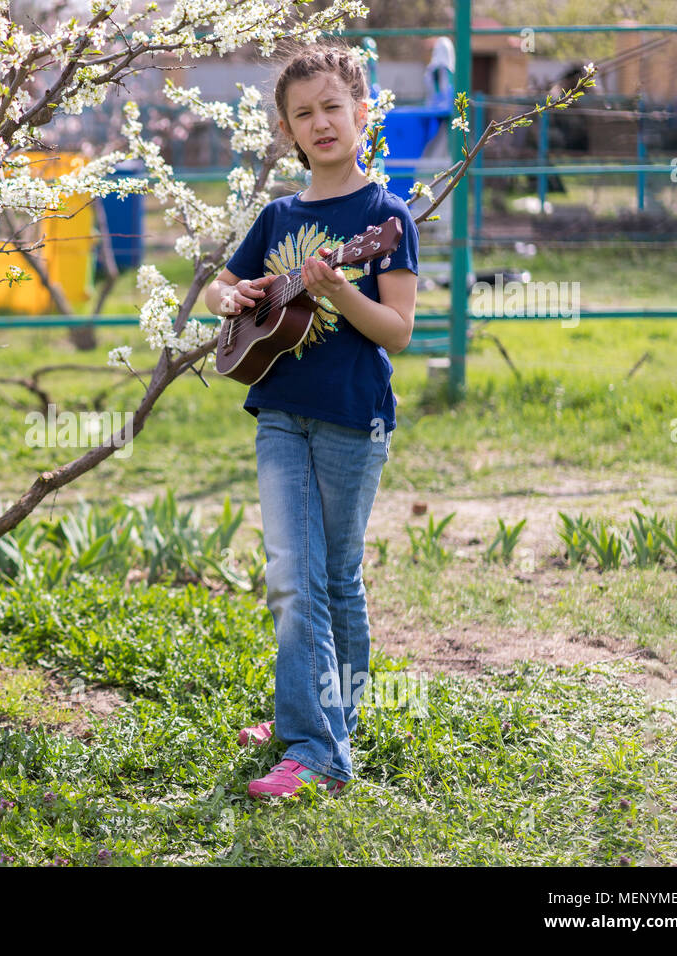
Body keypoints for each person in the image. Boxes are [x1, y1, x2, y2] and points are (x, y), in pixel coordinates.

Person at [203, 41, 419, 800]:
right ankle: (312, 735)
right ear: (287, 132)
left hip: (352, 417)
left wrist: (337, 292)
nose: (322, 122)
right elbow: (220, 291)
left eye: (334, 107)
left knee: (336, 578)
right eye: (304, 114)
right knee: (294, 578)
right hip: (279, 413)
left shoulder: (383, 215)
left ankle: (327, 725)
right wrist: (227, 301)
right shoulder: (277, 214)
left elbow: (396, 330)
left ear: (362, 112)